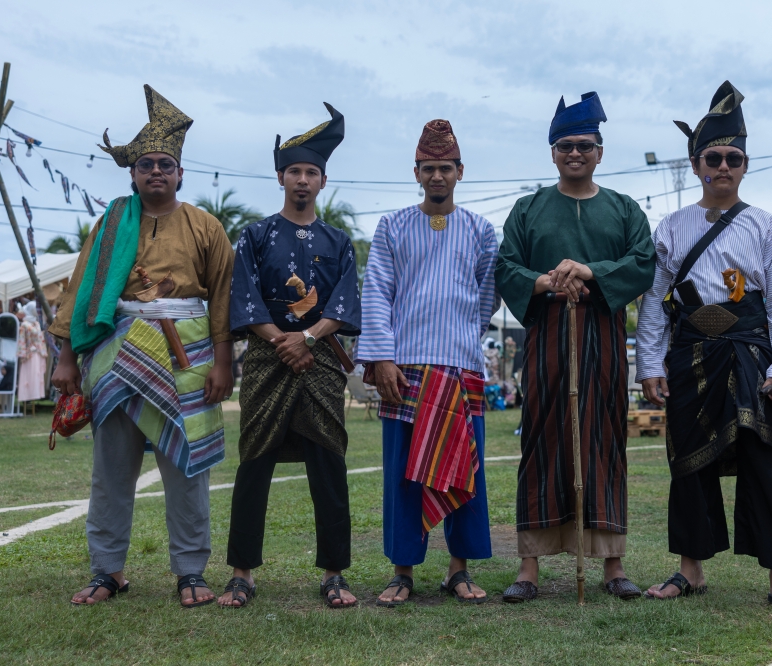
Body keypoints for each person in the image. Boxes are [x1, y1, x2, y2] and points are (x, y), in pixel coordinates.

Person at [635, 81, 772, 618]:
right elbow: (652, 304)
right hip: (690, 353)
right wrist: (649, 364)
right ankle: (690, 570)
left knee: (765, 459)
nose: (722, 166)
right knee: (689, 461)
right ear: (696, 164)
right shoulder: (671, 227)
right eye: (712, 157)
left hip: (751, 352)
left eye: (732, 158)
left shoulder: (764, 225)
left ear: (744, 164)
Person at [50, 85, 234, 608]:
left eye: (166, 164)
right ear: (132, 173)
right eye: (147, 164)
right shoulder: (111, 222)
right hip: (115, 352)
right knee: (111, 470)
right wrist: (66, 356)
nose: (156, 172)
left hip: (189, 358)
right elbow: (83, 286)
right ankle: (107, 570)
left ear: (181, 174)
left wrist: (224, 364)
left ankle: (191, 570)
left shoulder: (206, 226)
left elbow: (222, 297)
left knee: (188, 467)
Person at [495, 92, 656, 602]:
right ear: (552, 152)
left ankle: (612, 563)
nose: (575, 154)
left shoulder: (624, 209)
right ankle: (528, 567)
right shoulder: (529, 209)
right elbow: (505, 267)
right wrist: (546, 282)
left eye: (585, 146)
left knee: (605, 435)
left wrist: (588, 271)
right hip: (545, 334)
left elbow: (643, 263)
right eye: (565, 145)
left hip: (603, 334)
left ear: (600, 152)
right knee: (541, 436)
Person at [218, 104, 362, 609]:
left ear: (323, 180)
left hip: (320, 361)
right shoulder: (256, 236)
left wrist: (310, 338)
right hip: (266, 358)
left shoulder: (338, 241)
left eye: (312, 172)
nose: (303, 179)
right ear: (281, 176)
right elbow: (244, 295)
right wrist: (283, 339)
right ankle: (242, 573)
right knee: (254, 462)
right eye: (295, 171)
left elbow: (344, 302)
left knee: (329, 462)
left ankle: (334, 573)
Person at [356, 119, 498, 606]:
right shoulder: (392, 225)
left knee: (465, 470)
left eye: (445, 168)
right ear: (416, 172)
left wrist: (460, 338)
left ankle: (459, 571)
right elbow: (376, 292)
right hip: (406, 370)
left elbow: (486, 296)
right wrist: (384, 358)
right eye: (428, 168)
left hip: (461, 368)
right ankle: (402, 572)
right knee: (403, 473)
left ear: (461, 171)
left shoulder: (481, 230)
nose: (437, 176)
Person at [17, 302, 48, 403]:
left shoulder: (37, 323)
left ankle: (35, 397)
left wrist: (43, 352)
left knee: (36, 375)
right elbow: (21, 340)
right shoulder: (24, 325)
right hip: (29, 355)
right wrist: (22, 354)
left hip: (38, 354)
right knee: (29, 375)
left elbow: (41, 339)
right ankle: (27, 398)